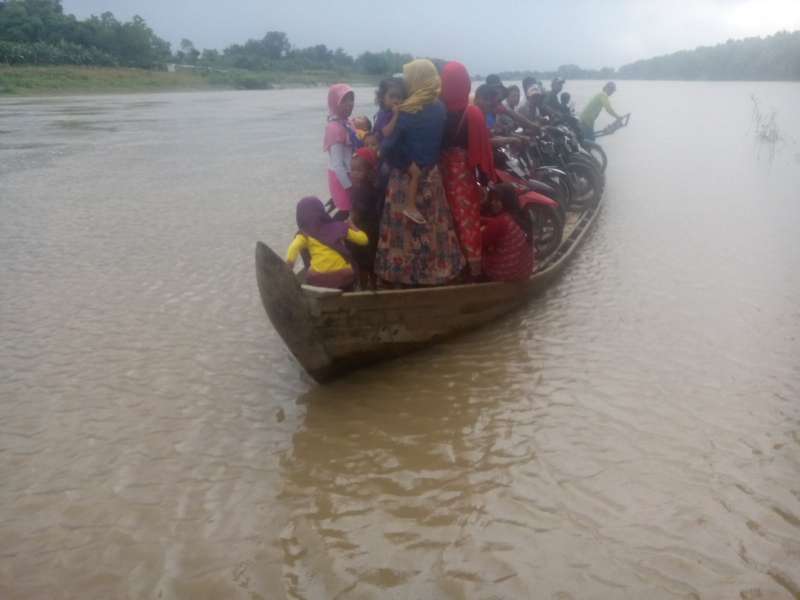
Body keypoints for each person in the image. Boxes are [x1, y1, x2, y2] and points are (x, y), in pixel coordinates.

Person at [374, 59, 465, 286]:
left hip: (405, 179)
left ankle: (401, 276)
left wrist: (405, 164)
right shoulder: (439, 107)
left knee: (403, 233)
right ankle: (437, 273)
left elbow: (386, 149)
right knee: (433, 228)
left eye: (408, 78)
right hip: (431, 177)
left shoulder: (407, 111)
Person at [439, 61, 496, 278]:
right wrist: (483, 182)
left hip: (441, 175)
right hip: (463, 176)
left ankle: (453, 268)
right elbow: (481, 151)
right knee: (468, 221)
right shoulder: (472, 113)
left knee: (448, 220)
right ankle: (475, 270)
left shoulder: (437, 111)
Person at [285, 196, 368, 290]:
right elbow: (364, 240)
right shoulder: (339, 227)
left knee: (309, 268)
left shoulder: (304, 233)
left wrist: (288, 268)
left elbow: (293, 248)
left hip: (319, 280)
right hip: (345, 277)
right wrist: (352, 226)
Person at [481, 183, 534, 282]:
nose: (492, 203)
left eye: (497, 200)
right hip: (525, 270)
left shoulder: (500, 222)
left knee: (475, 253)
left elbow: (481, 243)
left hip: (504, 274)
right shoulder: (522, 215)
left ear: (506, 201)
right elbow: (496, 224)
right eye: (492, 200)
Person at [323, 84, 356, 215]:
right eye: (344, 100)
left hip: (351, 174)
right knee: (346, 214)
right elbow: (337, 165)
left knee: (353, 214)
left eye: (351, 99)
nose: (350, 104)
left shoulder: (348, 123)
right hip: (341, 178)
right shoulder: (334, 127)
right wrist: (349, 187)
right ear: (334, 102)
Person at [373, 77, 406, 143]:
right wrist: (395, 116)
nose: (395, 101)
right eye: (391, 96)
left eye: (399, 97)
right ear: (382, 98)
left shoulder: (394, 110)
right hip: (382, 146)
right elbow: (386, 133)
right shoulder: (383, 114)